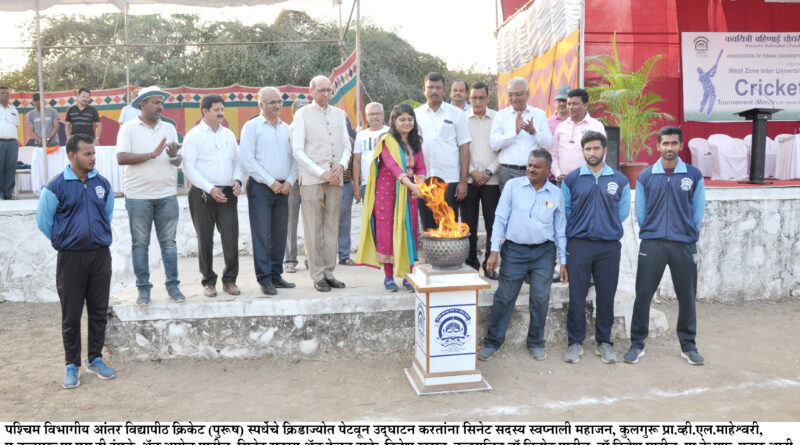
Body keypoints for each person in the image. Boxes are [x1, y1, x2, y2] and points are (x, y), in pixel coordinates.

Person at [36, 133, 116, 388]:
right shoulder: (56, 186)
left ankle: (95, 359)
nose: (93, 158)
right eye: (87, 154)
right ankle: (72, 365)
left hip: (100, 257)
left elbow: (107, 214)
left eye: (94, 153)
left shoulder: (102, 183)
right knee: (71, 315)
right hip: (70, 259)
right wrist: (66, 240)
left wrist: (95, 238)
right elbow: (44, 222)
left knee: (98, 311)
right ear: (72, 156)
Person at [625, 126, 706, 366]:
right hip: (653, 243)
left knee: (687, 296)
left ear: (680, 146)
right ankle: (637, 343)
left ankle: (688, 345)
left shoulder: (693, 175)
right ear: (658, 146)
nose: (669, 148)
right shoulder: (647, 176)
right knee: (643, 295)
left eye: (673, 143)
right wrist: (651, 230)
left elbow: (697, 211)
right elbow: (641, 211)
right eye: (665, 143)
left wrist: (686, 232)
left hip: (683, 244)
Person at [478, 148, 567, 362]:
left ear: (548, 169)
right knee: (505, 297)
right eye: (529, 165)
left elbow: (560, 230)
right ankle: (493, 342)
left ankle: (536, 342)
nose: (531, 169)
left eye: (537, 166)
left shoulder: (556, 194)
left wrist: (563, 261)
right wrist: (493, 252)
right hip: (514, 250)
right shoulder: (512, 186)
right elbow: (499, 219)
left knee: (540, 298)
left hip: (544, 253)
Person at [561, 131, 630, 364]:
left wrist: (604, 228)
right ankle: (575, 342)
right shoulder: (571, 180)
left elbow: (621, 213)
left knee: (606, 297)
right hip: (578, 245)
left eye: (596, 148)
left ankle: (604, 342)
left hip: (608, 247)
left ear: (605, 150)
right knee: (577, 296)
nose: (592, 153)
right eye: (588, 149)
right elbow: (566, 212)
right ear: (583, 152)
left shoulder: (619, 180)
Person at [116, 85, 185, 306]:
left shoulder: (169, 128)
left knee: (169, 244)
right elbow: (121, 158)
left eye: (162, 103)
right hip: (138, 196)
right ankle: (143, 289)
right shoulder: (128, 128)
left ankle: (173, 286)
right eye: (156, 102)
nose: (160, 106)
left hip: (166, 194)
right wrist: (151, 154)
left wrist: (174, 155)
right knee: (140, 244)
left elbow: (177, 162)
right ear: (143, 103)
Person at [356, 103, 425, 292]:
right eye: (402, 119)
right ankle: (388, 277)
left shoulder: (416, 141)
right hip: (387, 194)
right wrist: (411, 184)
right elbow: (394, 167)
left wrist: (421, 181)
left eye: (410, 119)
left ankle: (407, 276)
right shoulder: (386, 140)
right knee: (387, 233)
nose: (407, 122)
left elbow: (421, 167)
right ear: (393, 121)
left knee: (408, 232)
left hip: (409, 194)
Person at [292, 75, 351, 292]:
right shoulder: (302, 115)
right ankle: (317, 275)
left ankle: (329, 272)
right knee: (313, 228)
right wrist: (321, 172)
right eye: (321, 91)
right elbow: (297, 150)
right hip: (311, 180)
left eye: (328, 90)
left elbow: (347, 145)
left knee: (332, 226)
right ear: (311, 92)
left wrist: (342, 165)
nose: (325, 94)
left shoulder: (339, 114)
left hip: (335, 178)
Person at [182, 94, 243, 298]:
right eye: (216, 109)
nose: (221, 113)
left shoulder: (227, 134)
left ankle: (230, 279)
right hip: (202, 194)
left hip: (227, 192)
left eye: (222, 109)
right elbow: (188, 166)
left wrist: (237, 180)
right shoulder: (194, 135)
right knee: (205, 239)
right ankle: (208, 281)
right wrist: (210, 188)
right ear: (204, 111)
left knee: (230, 237)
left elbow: (237, 161)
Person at [241, 87, 297, 296]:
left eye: (279, 101)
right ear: (261, 104)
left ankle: (276, 274)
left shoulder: (286, 129)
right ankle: (264, 279)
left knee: (280, 233)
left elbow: (294, 158)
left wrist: (290, 181)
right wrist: (271, 182)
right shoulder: (252, 127)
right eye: (272, 102)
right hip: (261, 188)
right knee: (262, 234)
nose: (276, 105)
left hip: (283, 188)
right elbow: (247, 160)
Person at [415, 72, 471, 231]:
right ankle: (432, 257)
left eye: (438, 87)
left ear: (444, 90)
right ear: (423, 90)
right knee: (428, 227)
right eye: (430, 87)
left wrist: (462, 181)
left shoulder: (456, 114)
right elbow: (410, 148)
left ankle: (451, 257)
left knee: (449, 226)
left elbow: (464, 148)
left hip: (450, 179)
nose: (434, 91)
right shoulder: (415, 115)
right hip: (423, 180)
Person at [460, 81, 500, 279]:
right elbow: (457, 148)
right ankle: (471, 266)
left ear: (488, 98)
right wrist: (471, 172)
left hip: (492, 181)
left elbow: (503, 149)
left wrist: (488, 172)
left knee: (493, 224)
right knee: (469, 225)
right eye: (474, 98)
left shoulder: (497, 118)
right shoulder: (461, 119)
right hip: (468, 181)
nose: (477, 101)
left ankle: (489, 266)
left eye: (481, 98)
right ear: (469, 98)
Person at [490, 77, 552, 191]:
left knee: (533, 207)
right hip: (507, 172)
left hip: (533, 172)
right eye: (510, 95)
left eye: (518, 94)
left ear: (527, 94)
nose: (514, 98)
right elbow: (494, 144)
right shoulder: (501, 116)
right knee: (509, 207)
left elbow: (548, 143)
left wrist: (533, 132)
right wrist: (515, 133)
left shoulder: (539, 114)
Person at [550, 88, 606, 181]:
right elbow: (553, 154)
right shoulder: (561, 127)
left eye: (575, 104)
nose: (570, 107)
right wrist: (557, 173)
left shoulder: (596, 126)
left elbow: (602, 153)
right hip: (564, 181)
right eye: (569, 104)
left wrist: (594, 173)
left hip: (588, 179)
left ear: (585, 105)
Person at [284, 99, 310, 274]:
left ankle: (312, 258)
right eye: (300, 111)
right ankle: (290, 260)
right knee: (290, 221)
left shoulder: (314, 131)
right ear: (293, 113)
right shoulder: (287, 130)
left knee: (312, 221)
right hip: (292, 181)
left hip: (310, 180)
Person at [352, 102, 389, 204]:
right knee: (369, 216)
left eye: (378, 113)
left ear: (383, 115)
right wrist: (356, 185)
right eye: (371, 114)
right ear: (366, 117)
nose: (375, 117)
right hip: (367, 183)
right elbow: (357, 160)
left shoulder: (391, 132)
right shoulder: (361, 135)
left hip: (389, 182)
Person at [0, 86, 20, 200]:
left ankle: (8, 193)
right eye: (3, 93)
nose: (6, 95)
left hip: (12, 142)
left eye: (7, 93)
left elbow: (16, 125)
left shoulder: (13, 109)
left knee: (11, 167)